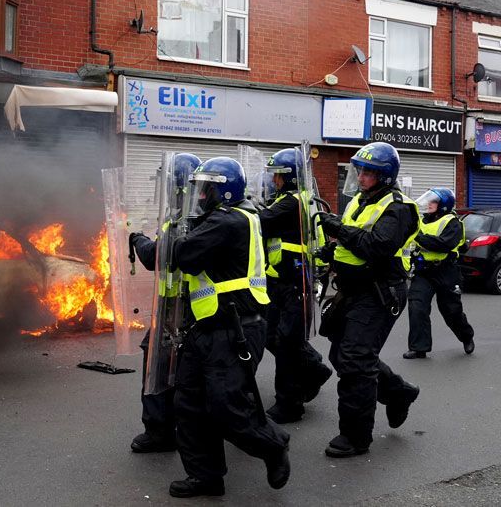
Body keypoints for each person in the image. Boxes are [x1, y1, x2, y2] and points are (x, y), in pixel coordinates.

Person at [162, 156, 289, 497]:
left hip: (234, 328)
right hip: (206, 326)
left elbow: (184, 255)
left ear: (226, 192)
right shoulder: (220, 218)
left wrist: (146, 245)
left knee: (225, 405)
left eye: (208, 190)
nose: (200, 196)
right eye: (199, 189)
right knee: (189, 404)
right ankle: (205, 476)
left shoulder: (228, 220)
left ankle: (273, 444)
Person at [317, 142, 421, 458]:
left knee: (355, 360)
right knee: (341, 354)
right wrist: (331, 253)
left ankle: (356, 436)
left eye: (368, 173)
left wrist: (339, 230)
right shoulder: (360, 202)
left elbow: (377, 246)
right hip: (353, 289)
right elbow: (352, 244)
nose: (360, 178)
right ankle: (398, 392)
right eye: (359, 171)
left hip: (379, 292)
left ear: (385, 177)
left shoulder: (398, 208)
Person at [128, 152, 200, 453]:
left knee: (159, 366)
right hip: (182, 307)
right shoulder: (187, 216)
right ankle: (175, 429)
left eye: (169, 182)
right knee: (178, 370)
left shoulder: (187, 221)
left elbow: (158, 255)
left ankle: (161, 432)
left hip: (181, 309)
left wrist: (137, 240)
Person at [258, 148, 332, 424]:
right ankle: (314, 368)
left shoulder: (293, 202)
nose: (273, 180)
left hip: (294, 281)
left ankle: (289, 404)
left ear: (289, 178)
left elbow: (261, 221)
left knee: (287, 343)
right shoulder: (288, 199)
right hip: (279, 279)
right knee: (272, 336)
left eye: (277, 176)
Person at [404, 188, 475, 359]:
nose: (429, 204)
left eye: (433, 201)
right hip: (424, 271)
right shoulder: (421, 222)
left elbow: (443, 244)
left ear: (443, 205)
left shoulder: (453, 223)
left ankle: (466, 336)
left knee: (451, 310)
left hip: (446, 271)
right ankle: (419, 348)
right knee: (417, 307)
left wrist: (418, 237)